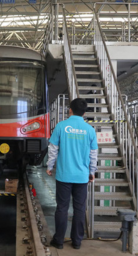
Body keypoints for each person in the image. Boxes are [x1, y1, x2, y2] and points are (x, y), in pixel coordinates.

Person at [46, 98, 98, 250]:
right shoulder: (90, 130)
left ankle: (59, 241)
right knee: (79, 208)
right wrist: (92, 171)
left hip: (64, 175)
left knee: (62, 208)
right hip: (82, 177)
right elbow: (93, 154)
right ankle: (76, 241)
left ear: (70, 110)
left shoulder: (61, 126)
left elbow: (53, 149)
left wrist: (50, 166)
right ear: (84, 113)